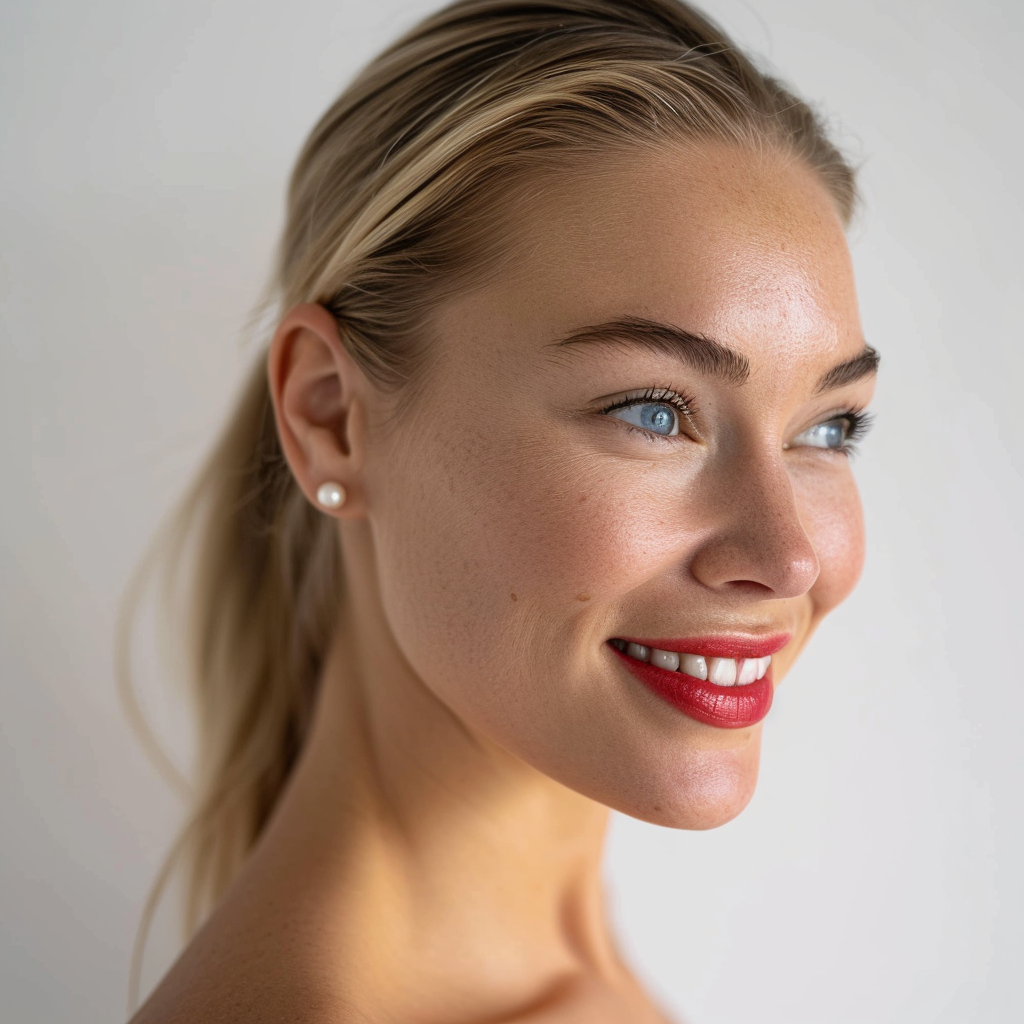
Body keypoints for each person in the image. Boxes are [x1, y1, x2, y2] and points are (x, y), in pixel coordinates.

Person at [121, 0, 879, 1020]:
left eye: (828, 429)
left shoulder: (569, 973)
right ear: (331, 417)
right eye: (654, 411)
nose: (787, 557)